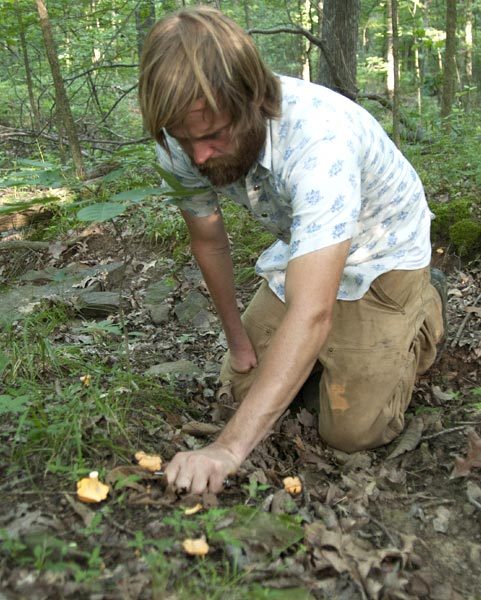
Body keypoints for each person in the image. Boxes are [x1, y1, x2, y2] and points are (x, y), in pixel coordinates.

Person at [138, 6, 445, 495]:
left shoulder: (319, 140)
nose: (197, 157)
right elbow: (208, 238)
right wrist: (238, 342)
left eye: (214, 136)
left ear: (254, 100)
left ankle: (421, 311)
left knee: (351, 433)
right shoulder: (182, 137)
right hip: (308, 248)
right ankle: (326, 351)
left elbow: (312, 311)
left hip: (382, 255)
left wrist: (227, 450)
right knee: (242, 389)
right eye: (184, 139)